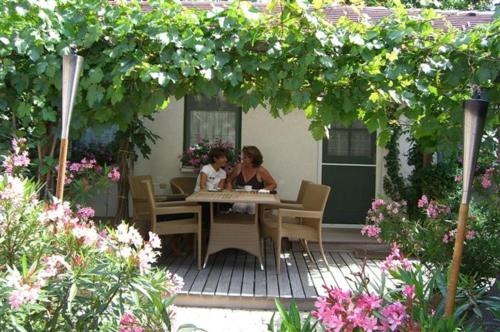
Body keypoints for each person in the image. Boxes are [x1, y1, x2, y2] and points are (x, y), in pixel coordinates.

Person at [226, 146, 277, 214]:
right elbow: (229, 179)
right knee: (240, 206)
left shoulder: (260, 170)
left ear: (252, 159)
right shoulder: (239, 167)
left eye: (245, 157)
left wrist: (262, 191)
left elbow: (273, 184)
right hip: (239, 197)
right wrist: (229, 188)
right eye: (243, 157)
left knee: (251, 207)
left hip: (254, 199)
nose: (242, 159)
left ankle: (253, 222)